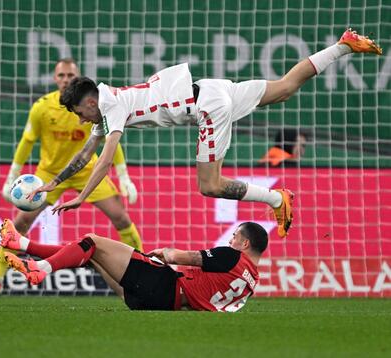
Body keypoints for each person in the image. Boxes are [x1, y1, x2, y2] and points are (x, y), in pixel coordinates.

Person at [32, 28, 383, 239]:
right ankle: (344, 45)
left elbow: (104, 160)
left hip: (207, 108)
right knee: (285, 88)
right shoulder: (107, 106)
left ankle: (278, 199)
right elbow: (82, 155)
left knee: (209, 186)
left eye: (79, 112)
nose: (80, 120)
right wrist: (55, 182)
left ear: (90, 101)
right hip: (210, 89)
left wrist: (81, 198)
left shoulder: (113, 107)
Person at [0, 58, 143, 298]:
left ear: (76, 79)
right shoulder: (42, 107)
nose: (65, 79)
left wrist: (123, 176)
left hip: (87, 171)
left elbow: (110, 141)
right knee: (20, 223)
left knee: (120, 217)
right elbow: (27, 142)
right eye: (61, 75)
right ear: (55, 78)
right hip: (50, 174)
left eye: (70, 76)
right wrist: (12, 175)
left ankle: (145, 266)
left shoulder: (92, 107)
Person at [0, 218, 268, 312]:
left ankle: (40, 268)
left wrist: (164, 252)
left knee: (92, 240)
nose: (230, 240)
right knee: (89, 252)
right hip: (158, 303)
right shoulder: (250, 284)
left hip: (162, 284)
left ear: (245, 244)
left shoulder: (232, 256)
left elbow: (182, 257)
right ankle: (21, 244)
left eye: (235, 237)